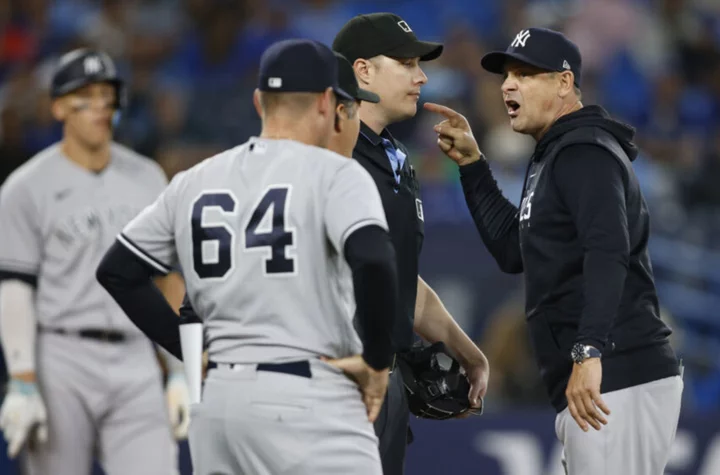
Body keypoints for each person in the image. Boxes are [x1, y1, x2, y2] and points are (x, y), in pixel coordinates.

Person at [95, 39, 399, 475]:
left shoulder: (194, 179)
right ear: (328, 101)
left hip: (218, 403)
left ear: (259, 102)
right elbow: (374, 260)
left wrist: (186, 351)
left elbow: (118, 272)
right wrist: (376, 360)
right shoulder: (336, 173)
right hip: (308, 396)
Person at [425, 27, 683, 474]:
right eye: (507, 75)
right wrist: (473, 167)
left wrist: (589, 352)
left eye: (525, 74)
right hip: (599, 379)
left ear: (564, 83)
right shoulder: (553, 155)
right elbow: (513, 250)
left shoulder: (585, 151)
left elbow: (608, 251)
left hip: (615, 373)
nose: (508, 84)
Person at [0, 49, 189, 475]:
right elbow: (15, 288)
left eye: (107, 94)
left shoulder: (147, 177)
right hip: (61, 356)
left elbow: (167, 279)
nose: (100, 105)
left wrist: (179, 369)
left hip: (137, 354)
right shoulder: (24, 187)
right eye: (85, 95)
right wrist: (22, 378)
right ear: (58, 107)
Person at [332, 12, 490, 475]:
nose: (421, 75)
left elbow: (401, 279)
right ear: (363, 71)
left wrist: (468, 352)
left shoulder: (397, 161)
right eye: (405, 63)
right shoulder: (327, 155)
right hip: (337, 379)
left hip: (385, 382)